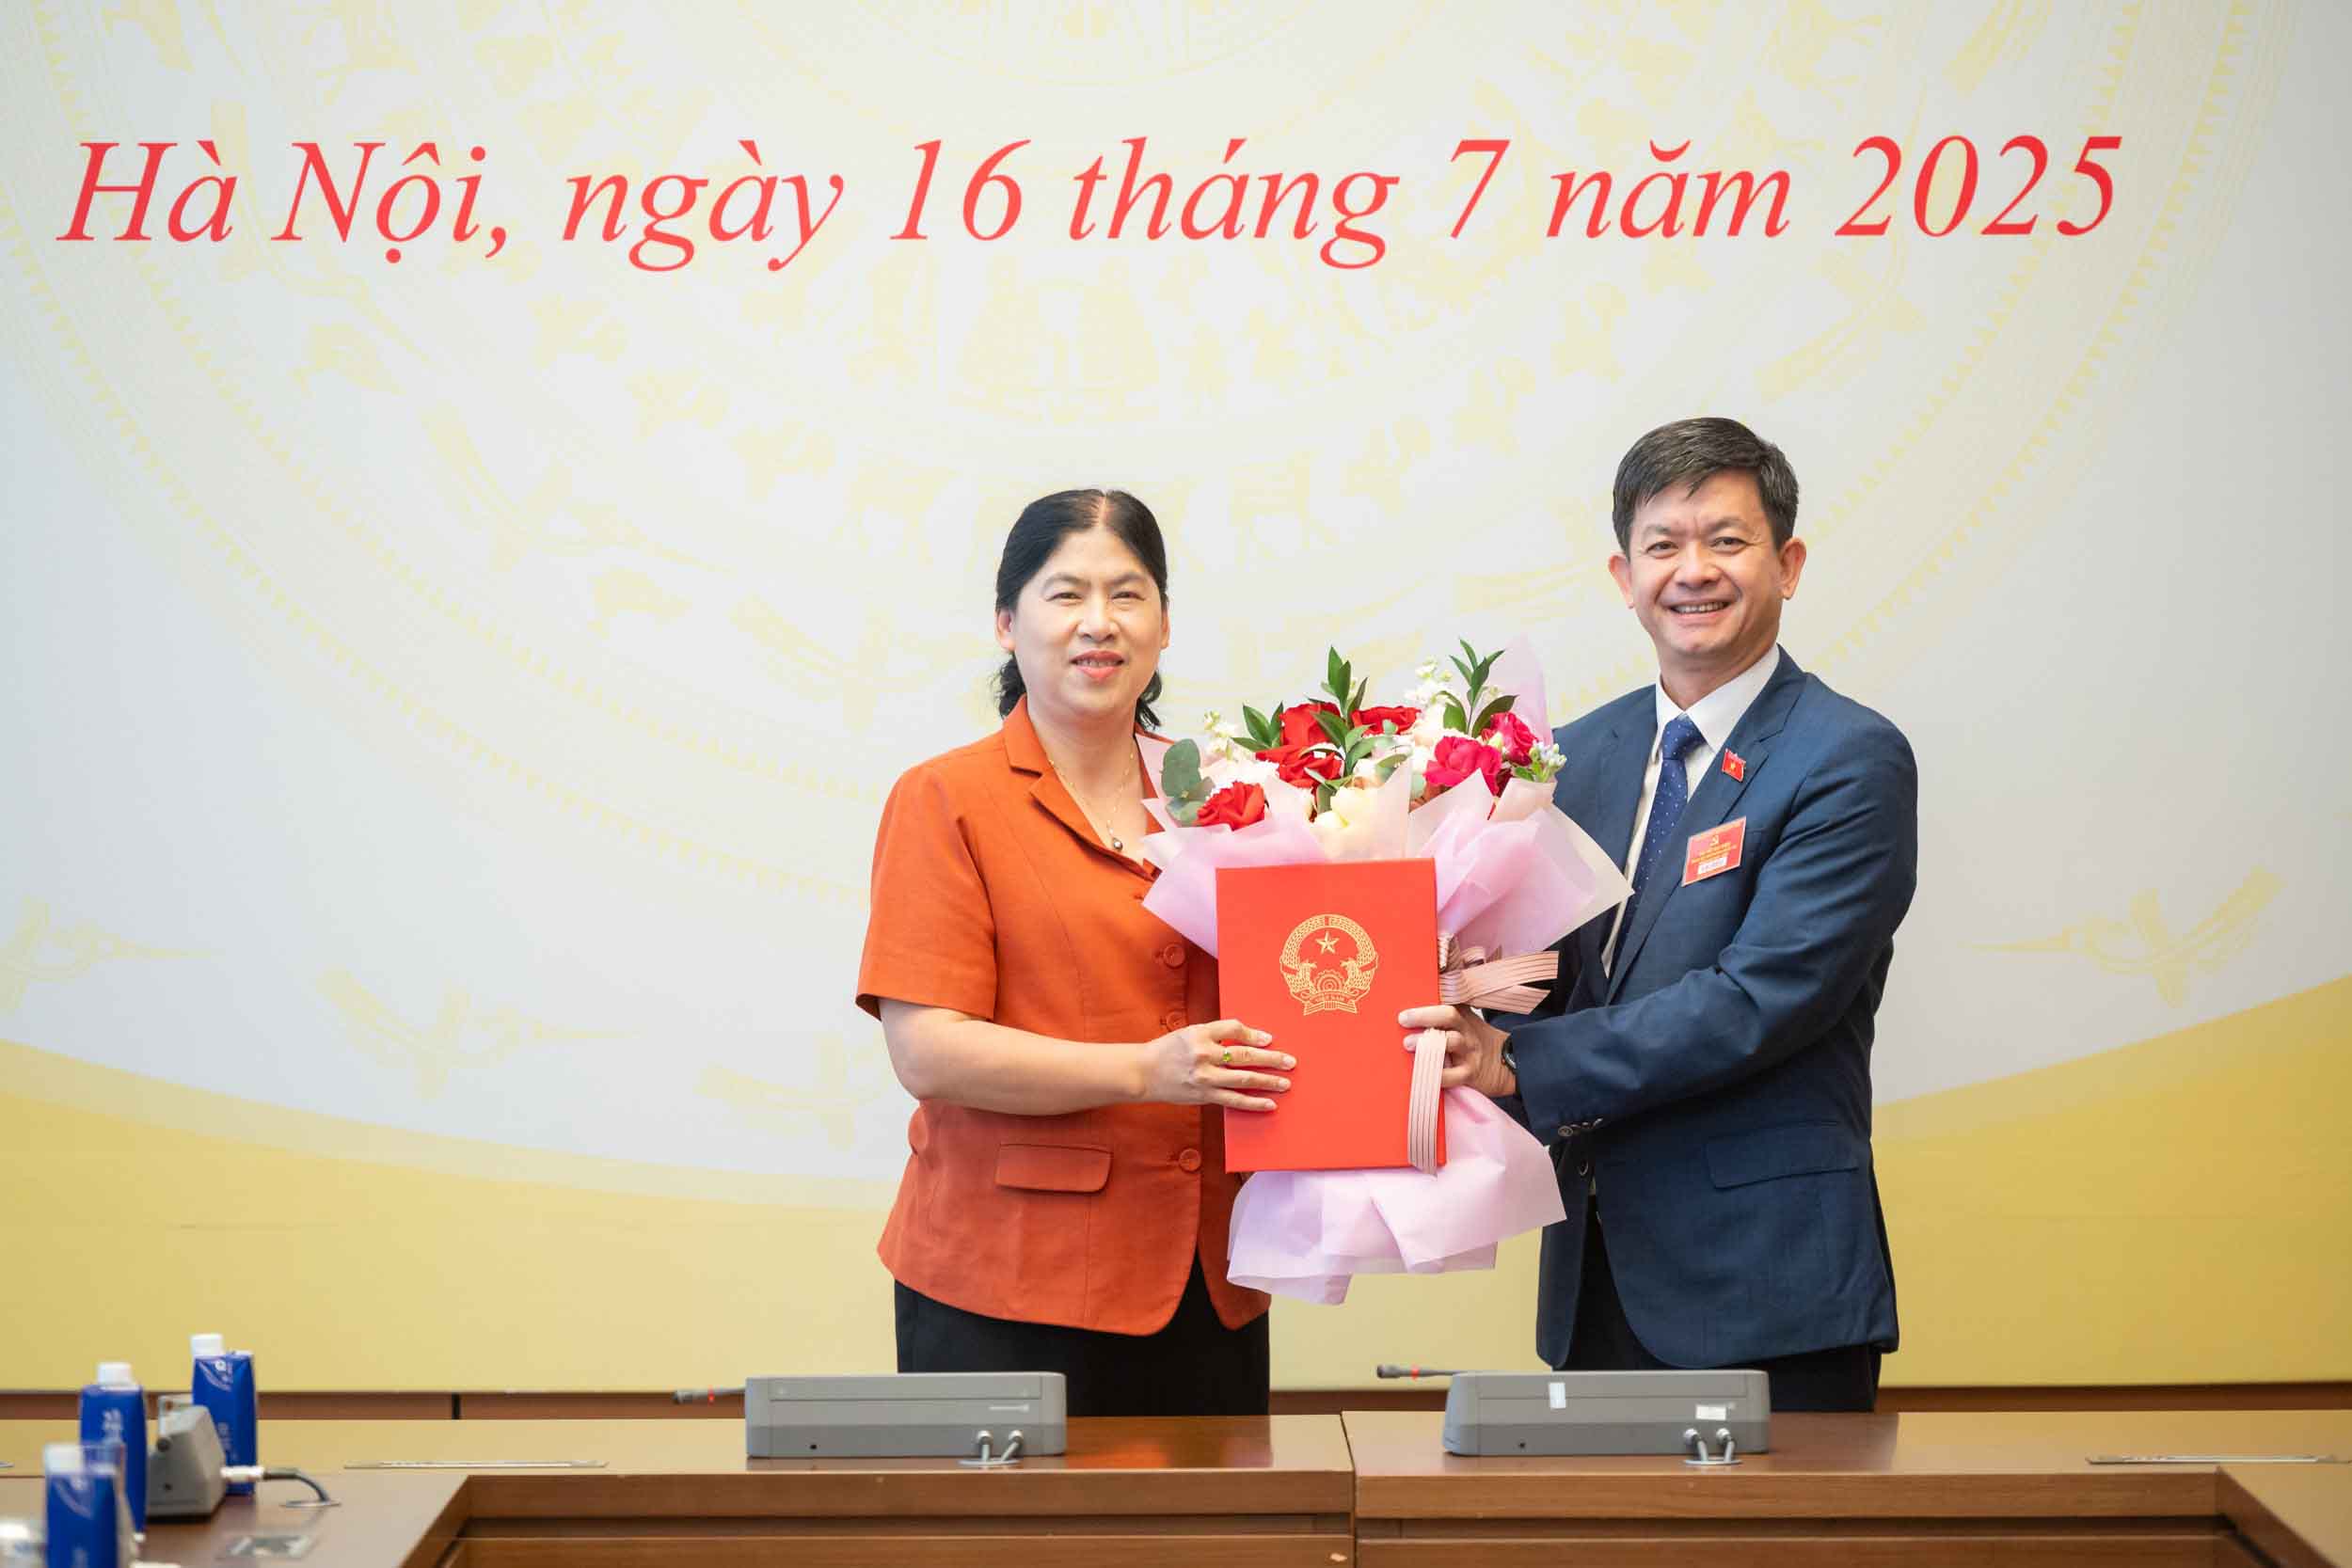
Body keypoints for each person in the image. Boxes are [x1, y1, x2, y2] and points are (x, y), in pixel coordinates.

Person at [1404, 418, 1916, 1411]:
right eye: (1663, 545)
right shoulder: (1574, 757)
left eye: (1727, 540)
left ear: (1789, 561)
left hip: (1769, 1285)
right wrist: (1430, 1004)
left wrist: (1518, 1061)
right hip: (1596, 1273)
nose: (1694, 571)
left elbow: (1760, 997)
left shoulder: (1847, 756)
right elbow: (1539, 981)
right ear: (1622, 572)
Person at [857, 487, 1291, 1418]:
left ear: (1164, 624)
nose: (1100, 622)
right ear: (1008, 623)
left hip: (1205, 1276)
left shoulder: (1234, 794)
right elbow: (926, 1046)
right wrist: (1144, 1068)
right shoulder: (947, 798)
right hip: (1006, 1280)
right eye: (1065, 595)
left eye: (1128, 594)